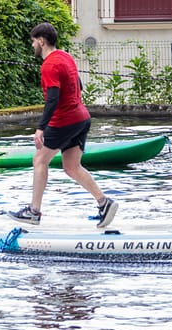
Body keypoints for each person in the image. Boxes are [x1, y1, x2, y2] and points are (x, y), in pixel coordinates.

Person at [8, 22, 118, 228]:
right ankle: (104, 203)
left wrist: (41, 127)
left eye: (33, 42)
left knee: (39, 159)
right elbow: (79, 85)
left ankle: (33, 211)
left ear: (41, 41)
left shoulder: (49, 64)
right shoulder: (65, 57)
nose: (32, 46)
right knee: (71, 166)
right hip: (82, 117)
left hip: (65, 120)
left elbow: (53, 98)